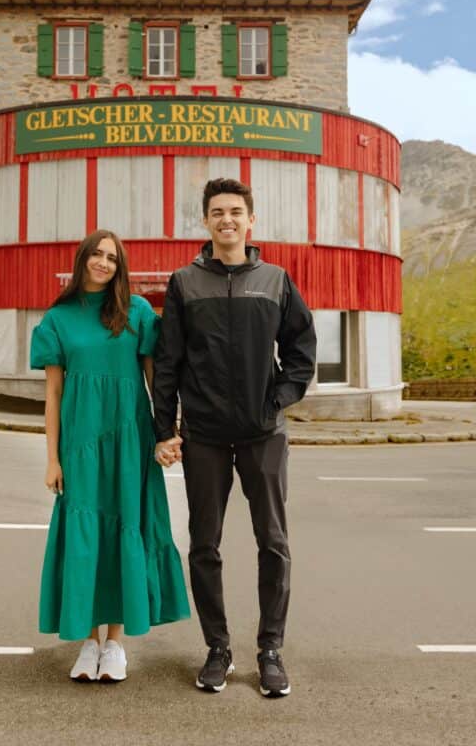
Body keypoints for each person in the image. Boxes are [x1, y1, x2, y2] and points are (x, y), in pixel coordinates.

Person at [152, 177, 316, 698]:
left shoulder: (275, 280)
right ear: (205, 222)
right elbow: (168, 362)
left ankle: (270, 650)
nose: (227, 220)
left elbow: (301, 351)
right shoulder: (185, 283)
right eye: (217, 212)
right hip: (202, 436)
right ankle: (217, 648)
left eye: (235, 212)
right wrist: (165, 428)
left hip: (262, 433)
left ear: (251, 220)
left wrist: (276, 401)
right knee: (204, 544)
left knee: (273, 542)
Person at [30, 229, 189, 682]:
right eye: (97, 255)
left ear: (121, 268)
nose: (103, 263)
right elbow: (54, 393)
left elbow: (158, 380)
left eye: (112, 258)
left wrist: (166, 434)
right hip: (80, 443)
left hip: (129, 440)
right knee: (86, 541)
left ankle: (115, 642)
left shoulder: (136, 312)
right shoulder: (58, 318)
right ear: (82, 259)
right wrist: (52, 458)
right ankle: (89, 641)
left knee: (126, 527)